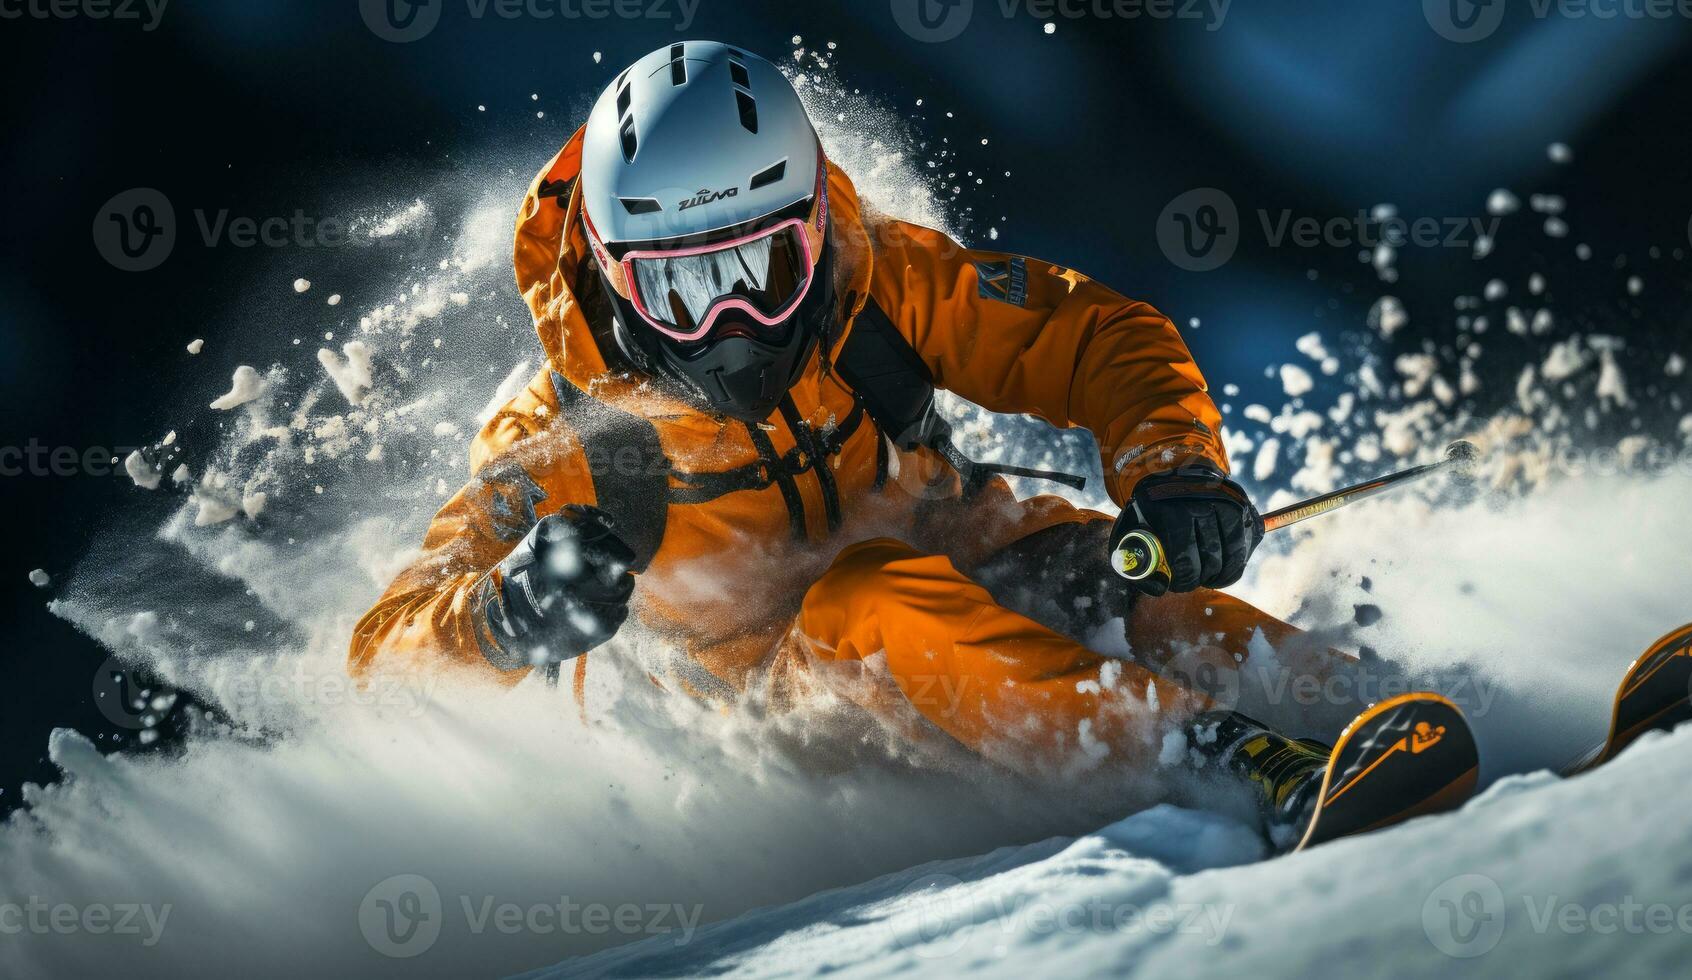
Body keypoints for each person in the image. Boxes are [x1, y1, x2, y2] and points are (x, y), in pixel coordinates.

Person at [350, 41, 1354, 843]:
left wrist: (1174, 470)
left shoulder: (878, 291)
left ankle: (1361, 703)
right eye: (682, 290)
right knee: (867, 594)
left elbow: (1095, 337)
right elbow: (383, 658)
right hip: (781, 723)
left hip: (982, 587)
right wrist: (505, 612)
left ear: (812, 228)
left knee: (1122, 578)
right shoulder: (570, 435)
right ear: (616, 278)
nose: (731, 324)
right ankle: (1215, 757)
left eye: (762, 266)